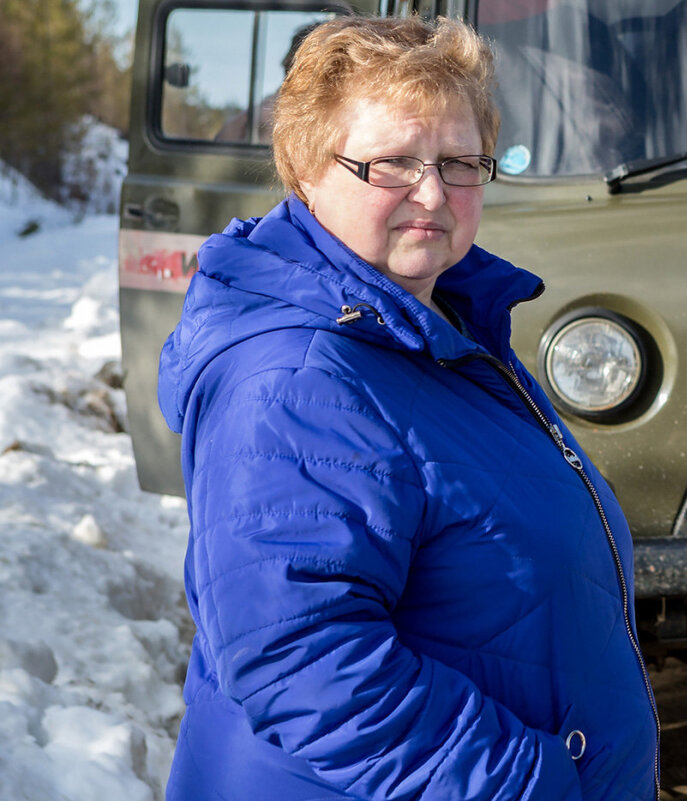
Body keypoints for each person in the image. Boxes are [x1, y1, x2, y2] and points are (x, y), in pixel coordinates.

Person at [157, 14, 659, 801]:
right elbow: (304, 661)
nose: (432, 192)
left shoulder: (438, 328)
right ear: (307, 168)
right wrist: (536, 783)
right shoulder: (301, 376)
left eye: (459, 162)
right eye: (392, 163)